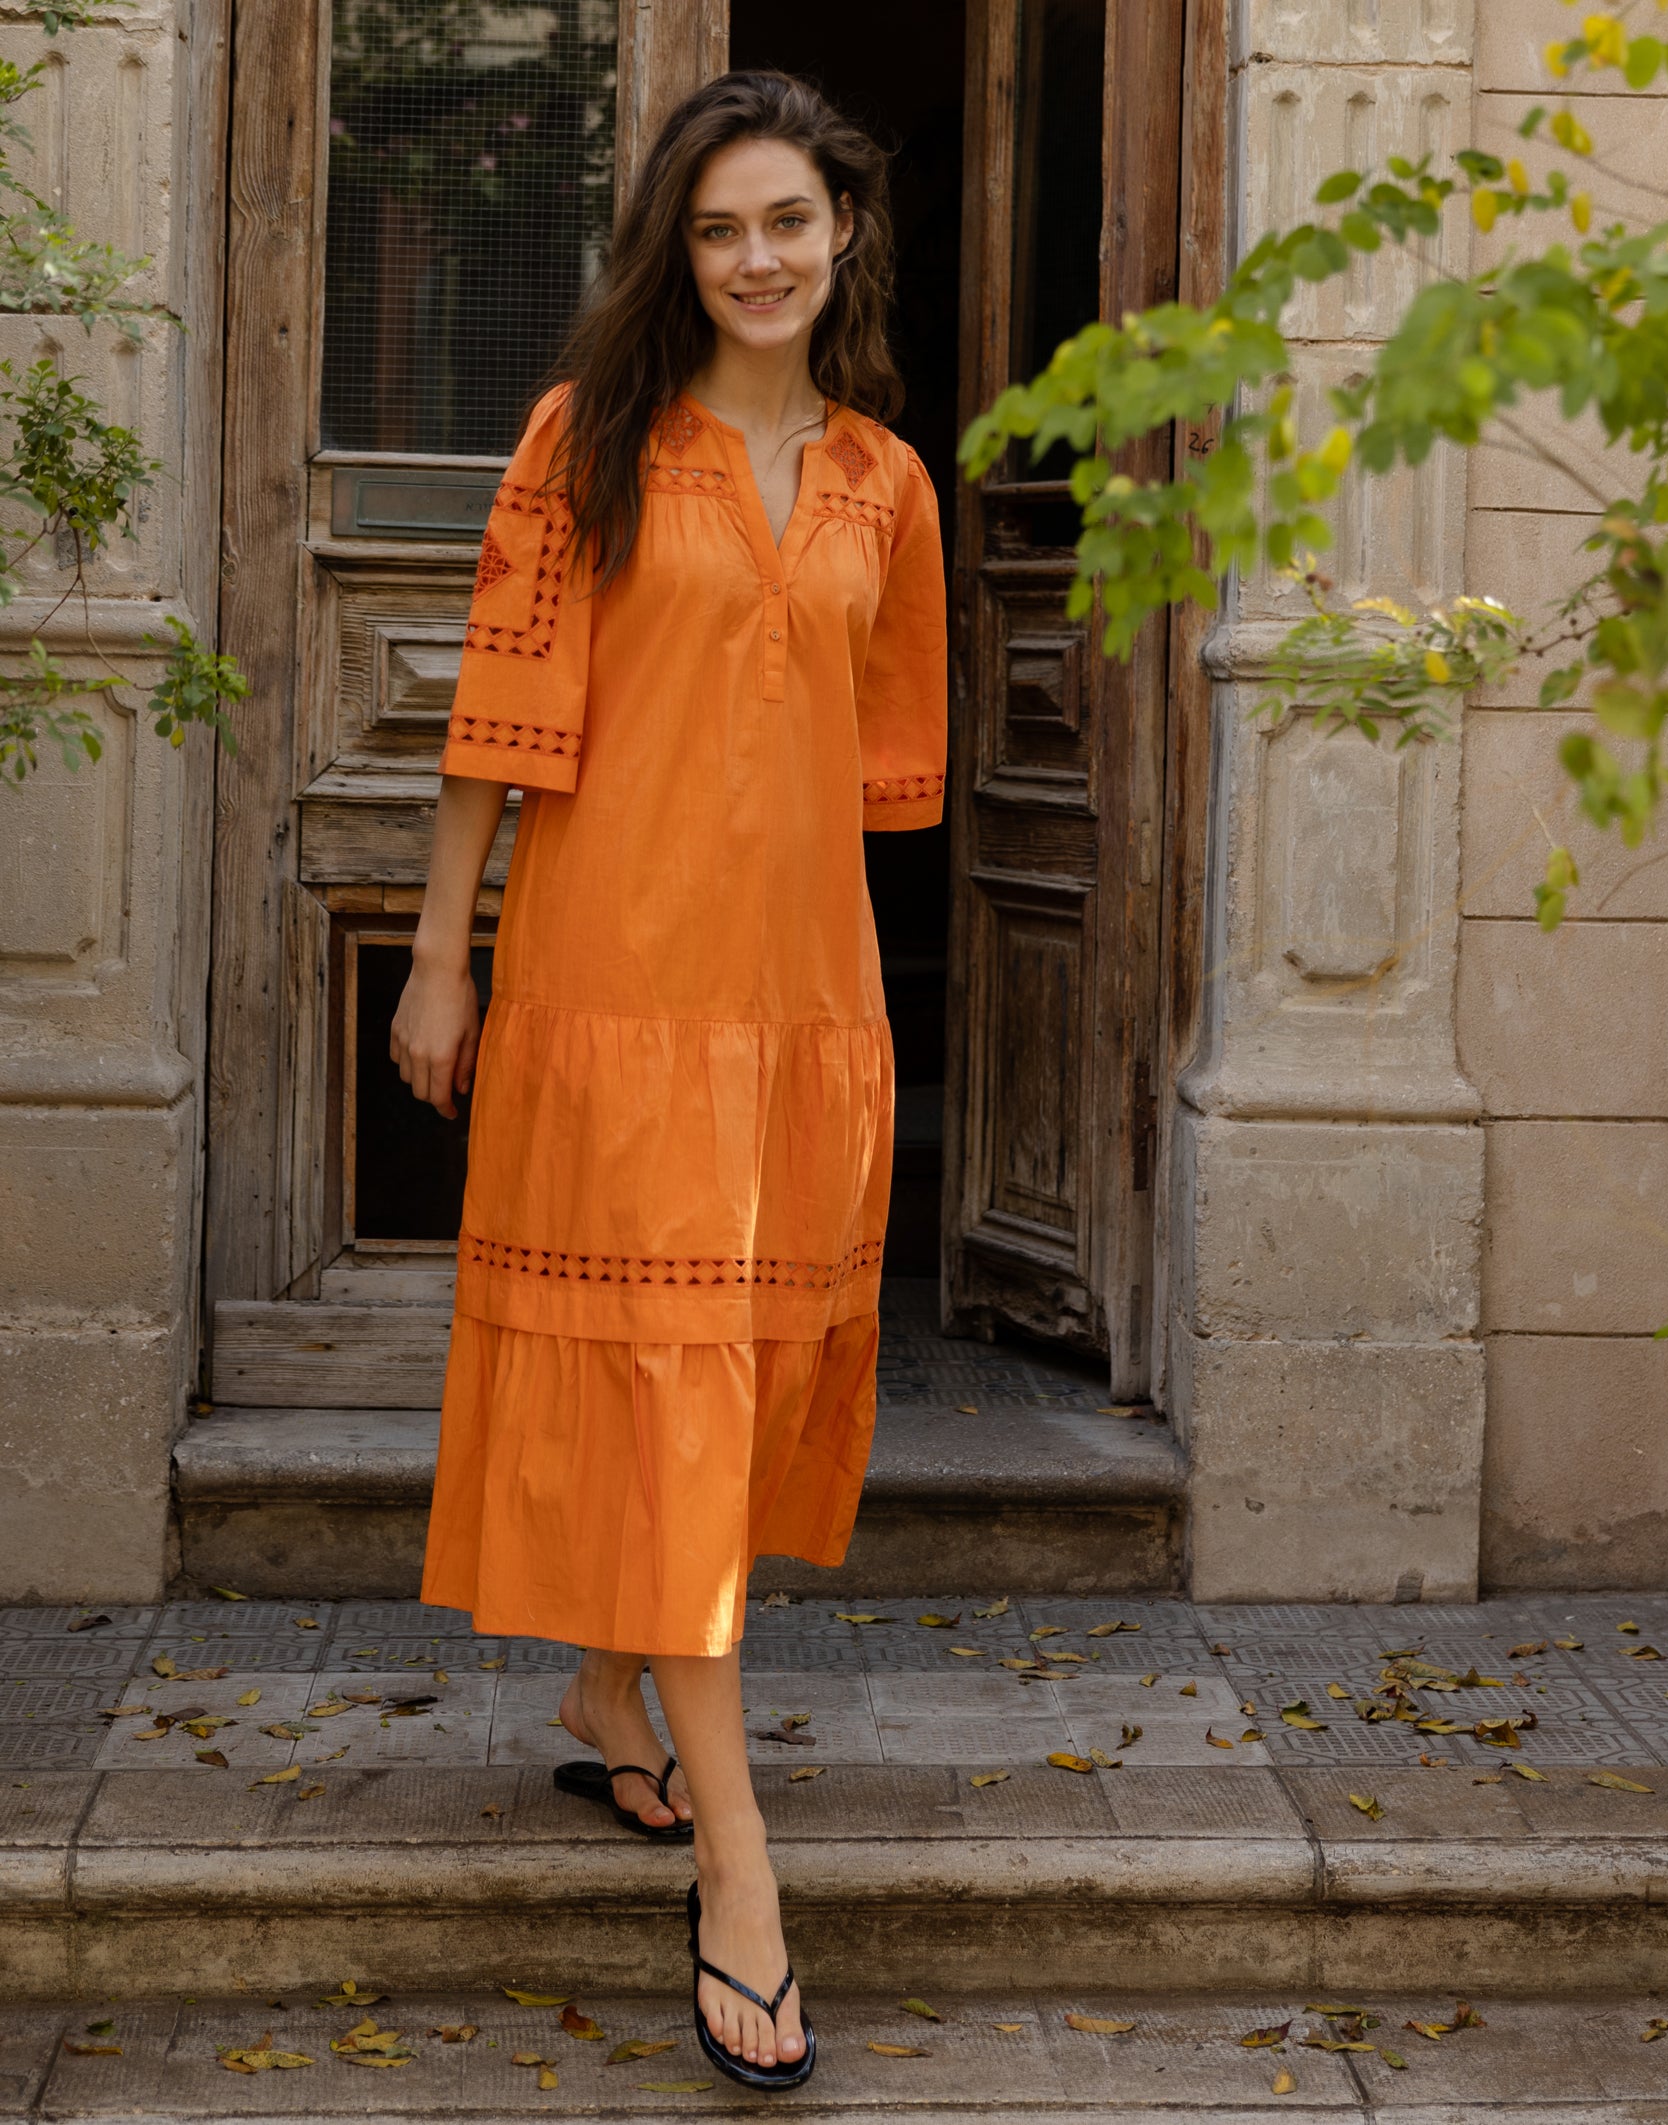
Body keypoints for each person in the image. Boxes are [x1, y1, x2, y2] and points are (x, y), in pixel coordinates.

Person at [389, 70, 946, 2094]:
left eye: (787, 219)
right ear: (675, 252)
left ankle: (607, 1698)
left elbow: (871, 769)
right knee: (680, 1398)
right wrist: (439, 954)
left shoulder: (889, 484)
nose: (756, 258)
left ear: (844, 230)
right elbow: (498, 711)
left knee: (725, 1378)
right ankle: (740, 1870)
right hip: (610, 986)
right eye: (718, 229)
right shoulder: (588, 440)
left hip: (797, 1003)